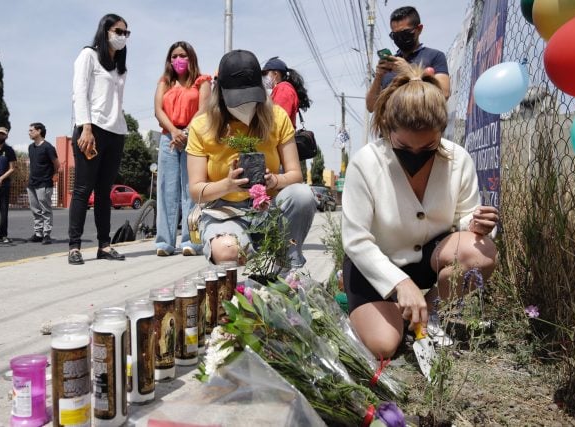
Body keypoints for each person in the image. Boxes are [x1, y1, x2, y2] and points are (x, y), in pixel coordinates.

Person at [342, 66, 498, 359]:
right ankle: (387, 306)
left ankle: (430, 308)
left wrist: (476, 224)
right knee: (383, 345)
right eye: (403, 146)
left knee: (482, 252)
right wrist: (399, 284)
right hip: (373, 263)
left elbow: (464, 217)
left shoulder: (457, 159)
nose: (415, 155)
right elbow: (356, 240)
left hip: (426, 260)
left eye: (428, 146)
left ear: (441, 131)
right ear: (388, 128)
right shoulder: (366, 162)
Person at [186, 49, 317, 267]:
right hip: (224, 210)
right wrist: (227, 185)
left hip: (268, 208)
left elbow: (295, 175)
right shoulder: (202, 125)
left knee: (303, 195)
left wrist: (275, 181)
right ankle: (245, 264)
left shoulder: (277, 117)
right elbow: (195, 190)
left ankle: (288, 265)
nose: (245, 106)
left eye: (251, 99)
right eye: (238, 100)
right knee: (227, 250)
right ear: (220, 94)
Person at [68, 13, 129, 265]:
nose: (122, 37)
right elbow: (79, 93)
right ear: (105, 31)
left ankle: (105, 245)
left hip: (116, 133)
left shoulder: (120, 68)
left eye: (126, 33)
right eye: (118, 31)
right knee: (83, 189)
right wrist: (86, 127)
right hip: (91, 130)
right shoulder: (88, 56)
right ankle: (74, 246)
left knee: (105, 192)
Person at [153, 41, 211, 257]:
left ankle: (191, 241)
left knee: (191, 191)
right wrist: (174, 131)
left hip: (193, 138)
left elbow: (204, 109)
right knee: (167, 192)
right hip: (168, 138)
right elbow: (158, 110)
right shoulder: (165, 82)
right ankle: (164, 244)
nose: (179, 59)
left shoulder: (202, 81)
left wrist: (185, 132)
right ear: (170, 60)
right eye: (174, 56)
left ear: (191, 57)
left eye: (183, 55)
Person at [366, 6, 450, 113]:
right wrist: (378, 77)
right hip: (390, 128)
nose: (400, 38)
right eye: (395, 35)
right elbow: (371, 107)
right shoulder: (391, 63)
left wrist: (408, 71)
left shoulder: (435, 56)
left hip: (421, 126)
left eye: (405, 33)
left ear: (419, 29)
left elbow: (444, 94)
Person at [27, 122, 60, 245]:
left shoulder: (48, 147)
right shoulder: (30, 147)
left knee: (45, 210)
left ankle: (46, 234)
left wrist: (54, 176)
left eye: (31, 130)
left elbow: (57, 164)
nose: (29, 133)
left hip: (44, 183)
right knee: (35, 209)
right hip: (32, 183)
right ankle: (38, 233)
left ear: (39, 131)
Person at [261, 57, 311, 127]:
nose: (263, 77)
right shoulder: (281, 89)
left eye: (265, 74)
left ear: (275, 74)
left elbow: (278, 121)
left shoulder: (283, 89)